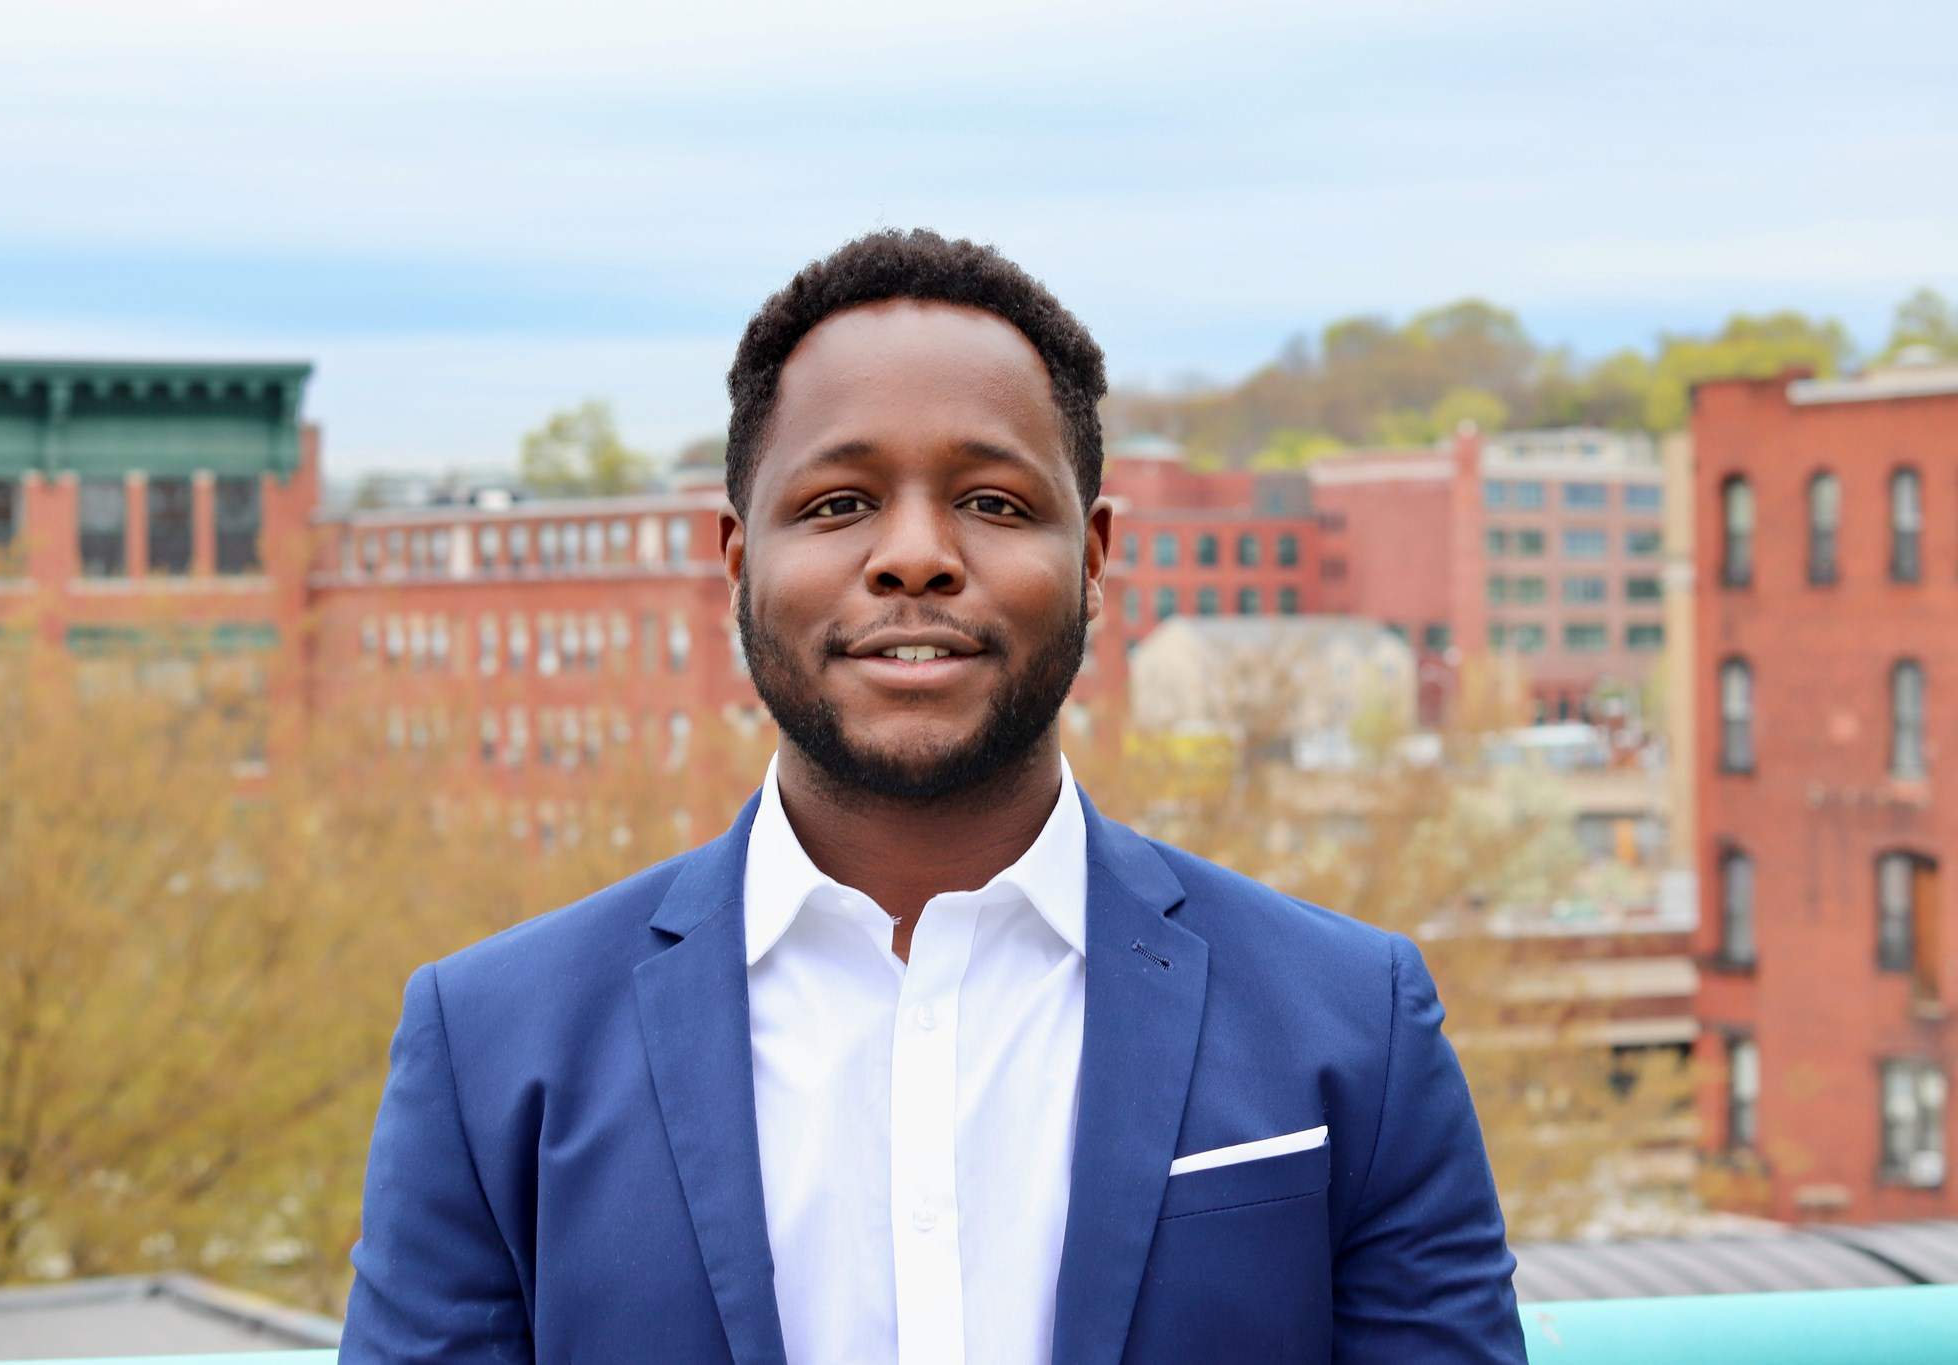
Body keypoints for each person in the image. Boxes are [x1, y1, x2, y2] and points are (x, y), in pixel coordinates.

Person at [339, 228, 1527, 1364]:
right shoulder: (492, 1049)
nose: (914, 555)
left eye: (995, 504)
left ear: (1096, 559)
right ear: (737, 560)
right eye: (837, 503)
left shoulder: (1350, 1026)